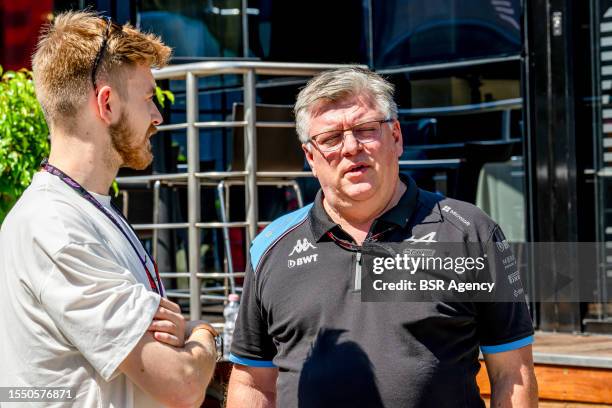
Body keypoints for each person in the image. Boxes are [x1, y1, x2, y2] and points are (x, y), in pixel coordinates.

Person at [226, 68, 538, 407]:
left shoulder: (470, 232)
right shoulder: (271, 246)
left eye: (365, 130)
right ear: (311, 158)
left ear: (396, 137)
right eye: (331, 138)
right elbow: (253, 382)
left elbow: (512, 374)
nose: (351, 147)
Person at [0, 11, 218, 408]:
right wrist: (203, 333)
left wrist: (184, 337)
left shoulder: (85, 210)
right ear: (107, 103)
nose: (158, 117)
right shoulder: (55, 225)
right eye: (149, 98)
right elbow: (180, 383)